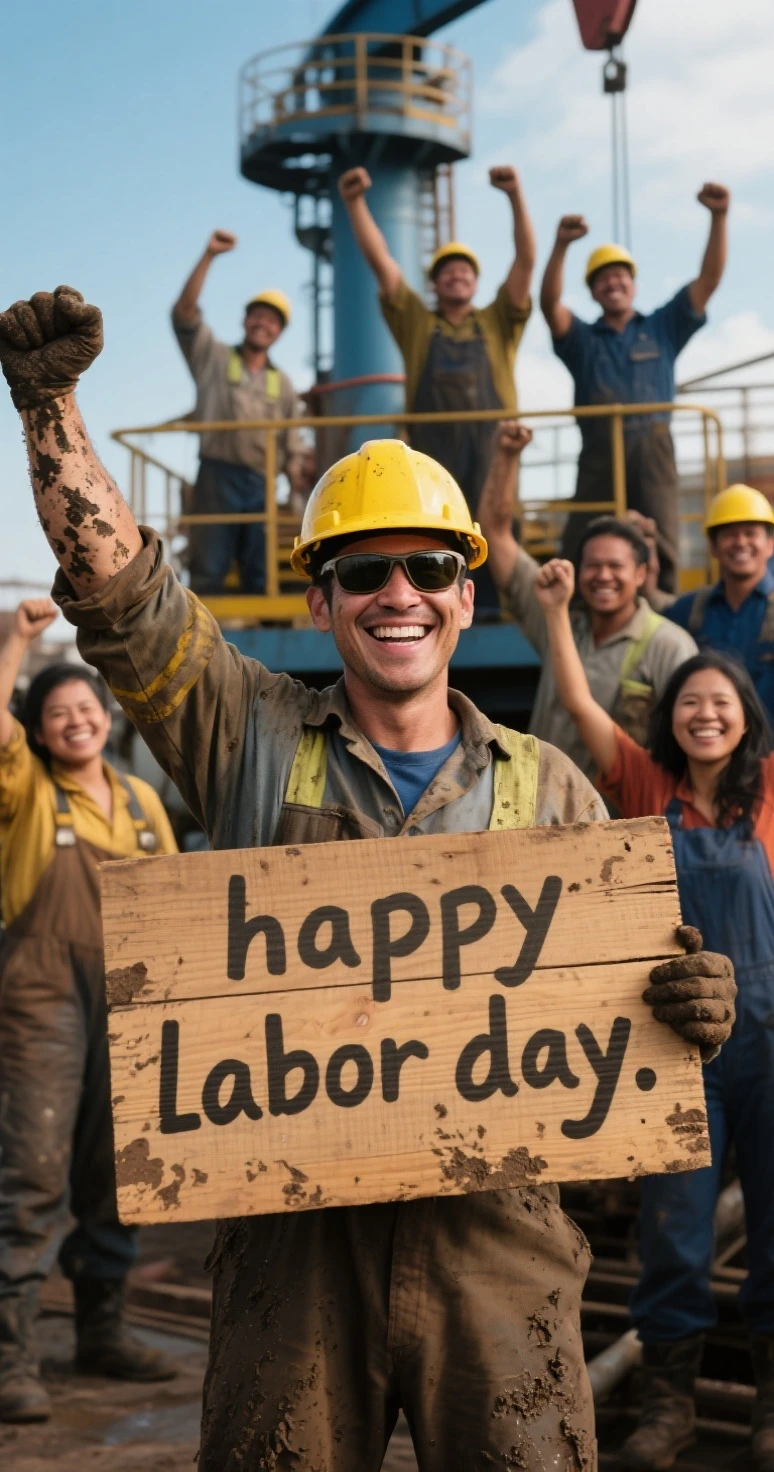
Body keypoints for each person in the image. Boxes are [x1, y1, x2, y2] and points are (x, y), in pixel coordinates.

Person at [0, 284, 737, 1470]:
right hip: (292, 1252)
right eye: (365, 570)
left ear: (462, 590)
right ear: (321, 596)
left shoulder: (549, 784)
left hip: (499, 1250)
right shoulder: (247, 733)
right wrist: (51, 412)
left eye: (428, 568)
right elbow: (128, 604)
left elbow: (628, 988)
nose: (399, 592)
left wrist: (685, 999)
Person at [533, 554, 774, 1472]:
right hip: (675, 1049)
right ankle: (667, 1410)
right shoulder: (641, 788)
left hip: (770, 1040)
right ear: (668, 719)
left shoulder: (773, 788)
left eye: (722, 701)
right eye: (688, 702)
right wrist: (556, 611)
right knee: (673, 1232)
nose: (705, 713)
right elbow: (582, 705)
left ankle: (765, 1414)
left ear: (746, 715)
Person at [0, 600, 179, 1423]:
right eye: (56, 714)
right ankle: (10, 1358)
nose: (74, 721)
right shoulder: (28, 791)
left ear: (107, 717)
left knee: (117, 1173)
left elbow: (178, 903)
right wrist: (16, 644)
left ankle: (101, 1334)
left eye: (85, 708)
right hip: (41, 1000)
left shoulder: (143, 801)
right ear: (37, 732)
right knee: (33, 1173)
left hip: (131, 1003)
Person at [337, 164, 536, 616]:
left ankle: (504, 614)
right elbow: (381, 264)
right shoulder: (417, 323)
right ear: (435, 282)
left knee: (499, 530)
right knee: (441, 537)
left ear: (476, 281)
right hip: (434, 461)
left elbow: (525, 263)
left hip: (494, 455)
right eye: (447, 270)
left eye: (464, 269)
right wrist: (354, 203)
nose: (456, 275)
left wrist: (515, 194)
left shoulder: (499, 320)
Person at [478, 422, 697, 779]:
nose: (603, 576)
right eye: (593, 565)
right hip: (543, 811)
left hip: (620, 822)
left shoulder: (670, 647)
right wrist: (506, 456)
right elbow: (498, 535)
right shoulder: (558, 618)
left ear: (641, 574)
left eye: (616, 566)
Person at [540, 183, 731, 592]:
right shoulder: (582, 340)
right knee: (582, 535)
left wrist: (719, 217)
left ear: (634, 284)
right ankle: (573, 608)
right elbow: (548, 305)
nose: (613, 283)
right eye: (603, 279)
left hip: (653, 450)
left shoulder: (663, 327)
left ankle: (666, 610)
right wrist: (560, 247)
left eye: (621, 276)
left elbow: (710, 278)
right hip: (598, 452)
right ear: (592, 290)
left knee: (662, 536)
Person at [172, 229, 307, 596]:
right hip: (216, 477)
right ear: (245, 320)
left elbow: (293, 442)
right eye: (258, 316)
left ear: (279, 332)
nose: (264, 324)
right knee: (209, 567)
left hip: (260, 485)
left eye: (272, 321)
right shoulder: (213, 359)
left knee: (261, 572)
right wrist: (209, 255)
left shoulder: (283, 384)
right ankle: (201, 645)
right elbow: (184, 315)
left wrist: (295, 474)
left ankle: (265, 642)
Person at [647, 485, 774, 731]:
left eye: (750, 533)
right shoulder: (690, 610)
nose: (740, 542)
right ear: (713, 547)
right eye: (729, 534)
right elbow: (648, 621)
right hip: (709, 753)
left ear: (770, 544)